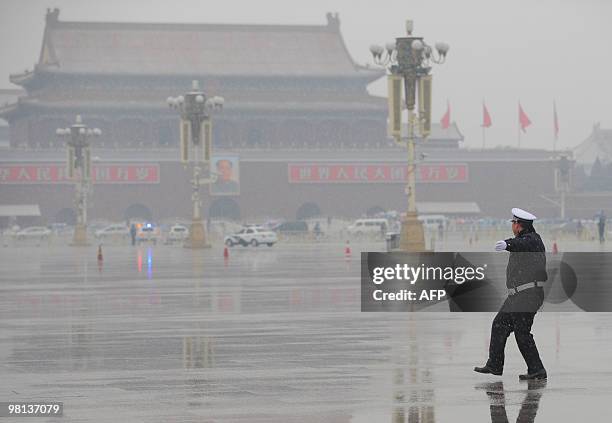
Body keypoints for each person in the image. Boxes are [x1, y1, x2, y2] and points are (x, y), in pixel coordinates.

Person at [474, 208, 548, 380]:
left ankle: (537, 370)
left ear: (519, 225)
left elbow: (523, 244)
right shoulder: (523, 239)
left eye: (514, 222)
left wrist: (507, 244)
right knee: (499, 325)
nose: (512, 225)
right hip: (517, 296)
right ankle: (495, 364)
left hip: (528, 295)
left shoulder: (533, 240)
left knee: (522, 333)